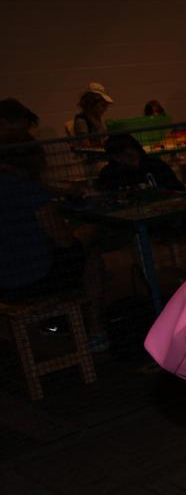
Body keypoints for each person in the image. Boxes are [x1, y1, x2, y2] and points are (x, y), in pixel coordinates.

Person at [0, 99, 108, 351]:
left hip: (5, 278)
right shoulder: (29, 191)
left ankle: (58, 324)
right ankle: (95, 330)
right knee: (90, 250)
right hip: (31, 279)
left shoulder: (16, 186)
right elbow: (62, 239)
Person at [97, 134, 184, 195]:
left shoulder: (156, 165)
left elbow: (177, 188)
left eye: (130, 149)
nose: (129, 153)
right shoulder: (110, 172)